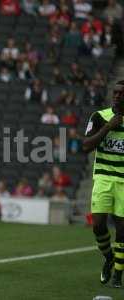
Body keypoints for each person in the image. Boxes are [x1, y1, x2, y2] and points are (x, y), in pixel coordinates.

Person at [83, 80, 124, 288]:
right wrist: (109, 127)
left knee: (122, 231)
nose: (116, 96)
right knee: (98, 224)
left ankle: (118, 273)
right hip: (103, 177)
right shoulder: (99, 116)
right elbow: (86, 146)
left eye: (121, 93)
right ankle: (109, 258)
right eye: (115, 93)